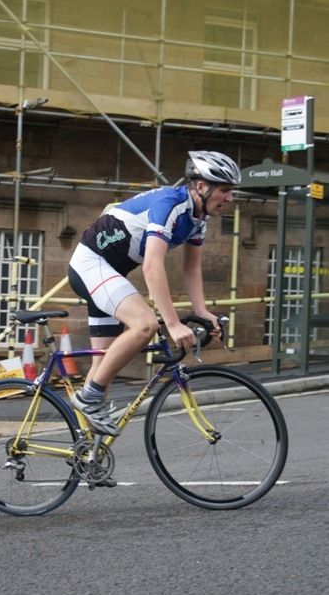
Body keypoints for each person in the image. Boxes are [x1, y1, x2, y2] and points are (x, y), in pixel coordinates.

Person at [68, 150, 241, 439]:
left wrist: (202, 312)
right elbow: (151, 266)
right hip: (91, 265)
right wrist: (172, 324)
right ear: (201, 186)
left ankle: (86, 453)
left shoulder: (198, 218)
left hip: (110, 273)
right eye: (224, 190)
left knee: (102, 369)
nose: (230, 198)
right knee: (146, 324)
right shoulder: (170, 204)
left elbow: (192, 268)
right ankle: (87, 399)